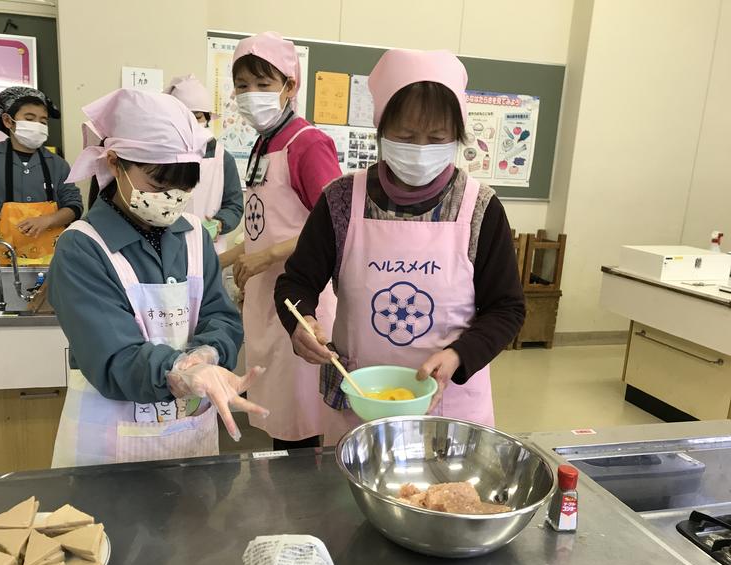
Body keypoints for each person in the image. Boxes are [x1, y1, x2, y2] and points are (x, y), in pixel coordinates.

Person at [274, 49, 525, 443]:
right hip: (362, 401)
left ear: (456, 137)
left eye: (437, 138)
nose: (421, 150)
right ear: (381, 129)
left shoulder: (480, 208)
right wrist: (300, 324)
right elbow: (296, 283)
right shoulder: (340, 200)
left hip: (449, 405)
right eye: (406, 137)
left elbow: (507, 308)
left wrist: (460, 355)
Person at [47, 89, 267, 467]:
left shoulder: (194, 236)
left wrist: (209, 353)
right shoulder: (82, 248)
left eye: (184, 188)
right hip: (109, 449)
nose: (172, 198)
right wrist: (179, 373)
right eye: (158, 187)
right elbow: (113, 355)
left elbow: (222, 317)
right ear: (115, 164)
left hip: (190, 439)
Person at [225, 32, 342, 450]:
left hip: (301, 299)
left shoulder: (307, 144)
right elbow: (264, 230)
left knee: (302, 418)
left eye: (263, 84)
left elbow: (334, 223)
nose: (250, 94)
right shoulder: (262, 144)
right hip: (266, 298)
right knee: (279, 414)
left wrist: (267, 257)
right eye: (242, 85)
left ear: (289, 86)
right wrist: (216, 260)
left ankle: (305, 486)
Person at [0, 86, 82, 263]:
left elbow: (74, 206)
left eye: (43, 121)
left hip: (50, 258)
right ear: (8, 121)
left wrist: (49, 220)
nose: (38, 125)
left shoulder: (58, 164)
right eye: (29, 119)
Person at [164, 74, 243, 253]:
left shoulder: (222, 158)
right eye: (184, 117)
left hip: (209, 246)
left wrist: (220, 223)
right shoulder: (161, 155)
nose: (191, 123)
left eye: (197, 117)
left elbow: (234, 204)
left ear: (207, 118)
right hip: (167, 244)